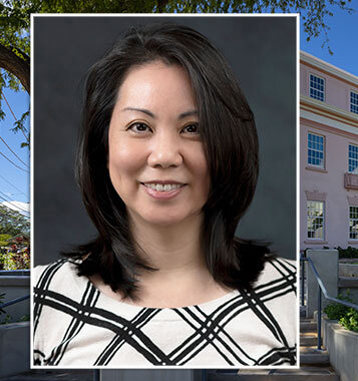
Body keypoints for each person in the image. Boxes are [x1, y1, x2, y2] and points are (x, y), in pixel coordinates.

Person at [32, 22, 297, 367]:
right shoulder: (44, 297)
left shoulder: (291, 294)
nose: (165, 156)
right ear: (104, 145)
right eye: (139, 127)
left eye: (193, 129)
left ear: (228, 144)